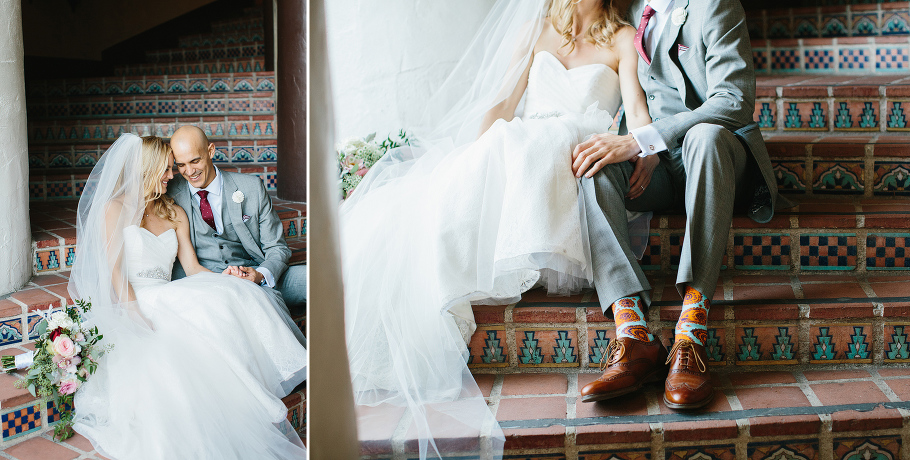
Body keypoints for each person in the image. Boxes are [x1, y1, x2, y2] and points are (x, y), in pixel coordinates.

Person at [338, 0, 648, 458]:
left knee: (545, 142)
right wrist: (466, 160)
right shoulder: (534, 30)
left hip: (578, 152)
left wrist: (644, 146)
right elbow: (502, 104)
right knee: (506, 143)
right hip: (526, 146)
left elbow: (637, 111)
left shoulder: (623, 38)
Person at [572, 0, 785, 409]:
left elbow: (733, 100)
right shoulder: (628, 9)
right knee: (594, 165)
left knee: (704, 137)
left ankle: (691, 330)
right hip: (658, 166)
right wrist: (638, 143)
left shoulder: (716, 6)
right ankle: (633, 333)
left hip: (717, 157)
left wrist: (645, 138)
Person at [68, 134, 307, 459]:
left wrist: (229, 280)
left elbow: (193, 268)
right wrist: (134, 312)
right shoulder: (115, 209)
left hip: (169, 291)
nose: (173, 175)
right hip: (136, 298)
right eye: (168, 169)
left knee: (228, 296)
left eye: (175, 168)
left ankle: (258, 377)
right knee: (198, 319)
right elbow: (116, 272)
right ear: (148, 169)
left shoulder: (174, 212)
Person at [167, 125, 305, 345]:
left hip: (254, 273)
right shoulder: (170, 192)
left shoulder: (250, 188)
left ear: (211, 151)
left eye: (195, 161)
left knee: (319, 281)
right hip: (206, 285)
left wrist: (259, 275)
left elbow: (277, 248)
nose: (189, 172)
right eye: (181, 165)